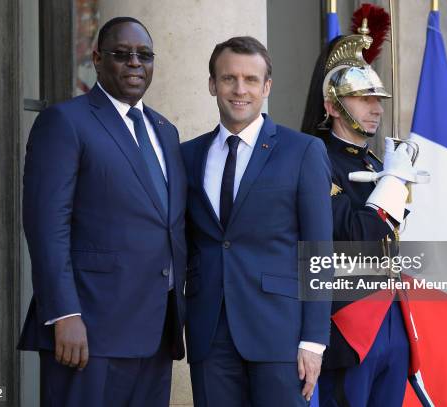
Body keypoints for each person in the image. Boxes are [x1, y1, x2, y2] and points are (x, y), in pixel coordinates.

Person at [18, 17, 187, 407]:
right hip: (89, 332)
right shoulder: (65, 122)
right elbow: (46, 227)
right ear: (96, 59)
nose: (134, 64)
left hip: (156, 333)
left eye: (144, 56)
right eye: (121, 54)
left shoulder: (165, 130)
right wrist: (63, 313)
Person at [181, 36, 333, 406]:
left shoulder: (303, 151)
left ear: (266, 87)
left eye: (251, 80)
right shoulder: (186, 155)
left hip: (280, 333)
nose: (239, 89)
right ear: (212, 84)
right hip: (209, 332)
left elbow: (318, 251)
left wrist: (313, 341)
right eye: (229, 78)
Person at [301, 7, 423, 407]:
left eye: (378, 98)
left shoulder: (374, 164)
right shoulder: (314, 158)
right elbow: (354, 239)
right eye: (364, 98)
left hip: (390, 318)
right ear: (333, 105)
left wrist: (388, 177)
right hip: (348, 324)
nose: (377, 108)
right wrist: (391, 185)